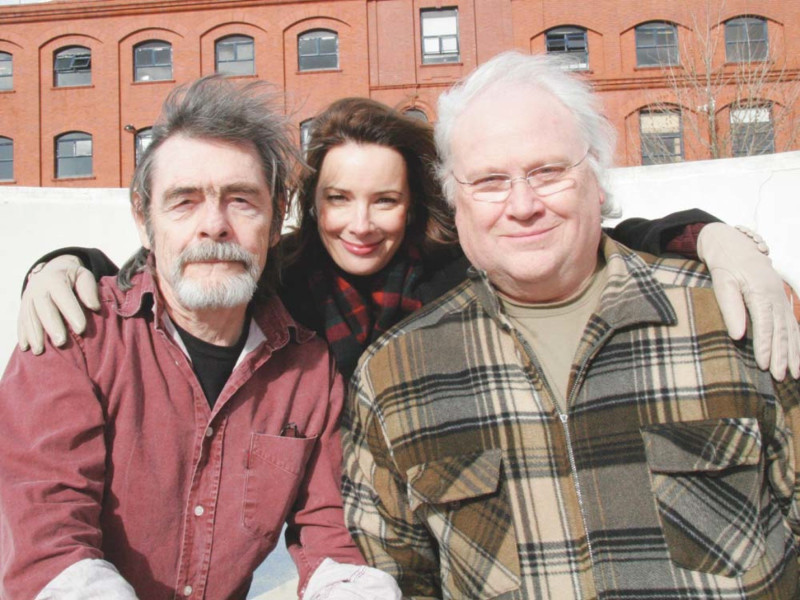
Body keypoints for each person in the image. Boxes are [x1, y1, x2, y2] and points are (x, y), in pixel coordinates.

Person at [341, 52, 800, 599]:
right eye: (489, 181)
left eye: (548, 171)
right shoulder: (396, 373)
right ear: (454, 200)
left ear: (597, 181)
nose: (523, 204)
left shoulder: (729, 316)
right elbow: (395, 575)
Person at [15, 98, 800, 379]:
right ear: (307, 205)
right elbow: (171, 267)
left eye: (384, 199)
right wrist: (59, 265)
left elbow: (601, 236)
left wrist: (718, 240)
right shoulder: (278, 278)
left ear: (414, 200)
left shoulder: (457, 269)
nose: (361, 223)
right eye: (339, 199)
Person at [0, 77, 400, 600]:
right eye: (184, 201)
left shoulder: (308, 367)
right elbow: (48, 542)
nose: (214, 225)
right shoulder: (73, 334)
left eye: (241, 200)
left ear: (277, 217)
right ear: (144, 221)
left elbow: (331, 538)